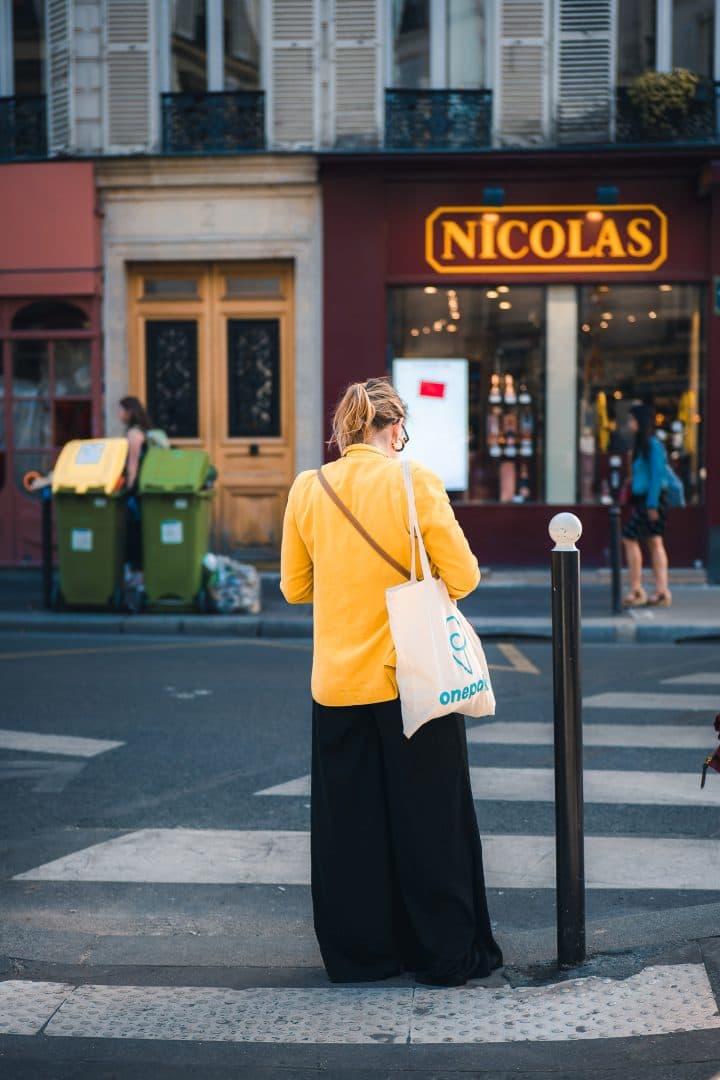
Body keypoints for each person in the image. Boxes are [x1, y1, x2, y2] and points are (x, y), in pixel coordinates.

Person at [280, 377, 503, 987]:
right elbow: (464, 577)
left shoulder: (308, 487)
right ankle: (443, 953)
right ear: (396, 426)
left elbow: (295, 588)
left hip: (337, 684)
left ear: (346, 430)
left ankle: (363, 956)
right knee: (431, 822)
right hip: (412, 680)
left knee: (349, 829)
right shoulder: (414, 479)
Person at [622, 402, 672, 608]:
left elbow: (657, 475)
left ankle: (638, 589)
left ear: (640, 421)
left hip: (653, 499)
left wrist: (652, 504)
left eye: (632, 419)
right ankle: (660, 591)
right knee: (653, 541)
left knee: (629, 537)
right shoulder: (643, 445)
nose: (629, 423)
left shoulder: (652, 445)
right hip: (647, 499)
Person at [118, 396, 152, 574]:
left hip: (136, 487)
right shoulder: (144, 430)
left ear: (129, 412)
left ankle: (137, 569)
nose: (118, 414)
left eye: (121, 410)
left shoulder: (133, 433)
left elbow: (132, 464)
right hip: (146, 486)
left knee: (133, 529)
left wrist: (129, 489)